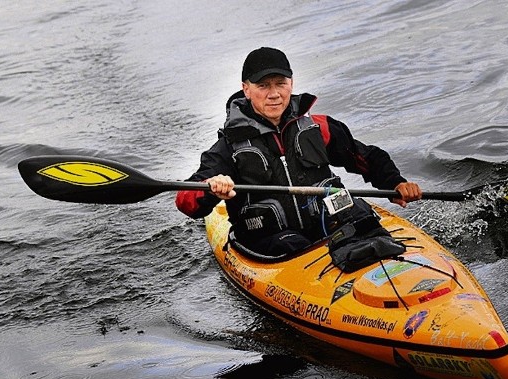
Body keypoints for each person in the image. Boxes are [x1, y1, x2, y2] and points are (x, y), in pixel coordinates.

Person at [176, 47, 421, 257]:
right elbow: (186, 201)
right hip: (273, 240)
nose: (274, 94)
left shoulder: (320, 127)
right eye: (263, 85)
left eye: (281, 84)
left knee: (363, 218)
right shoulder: (228, 147)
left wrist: (396, 182)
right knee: (295, 244)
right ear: (246, 89)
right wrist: (211, 185)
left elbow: (367, 158)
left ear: (291, 84)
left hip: (329, 221)